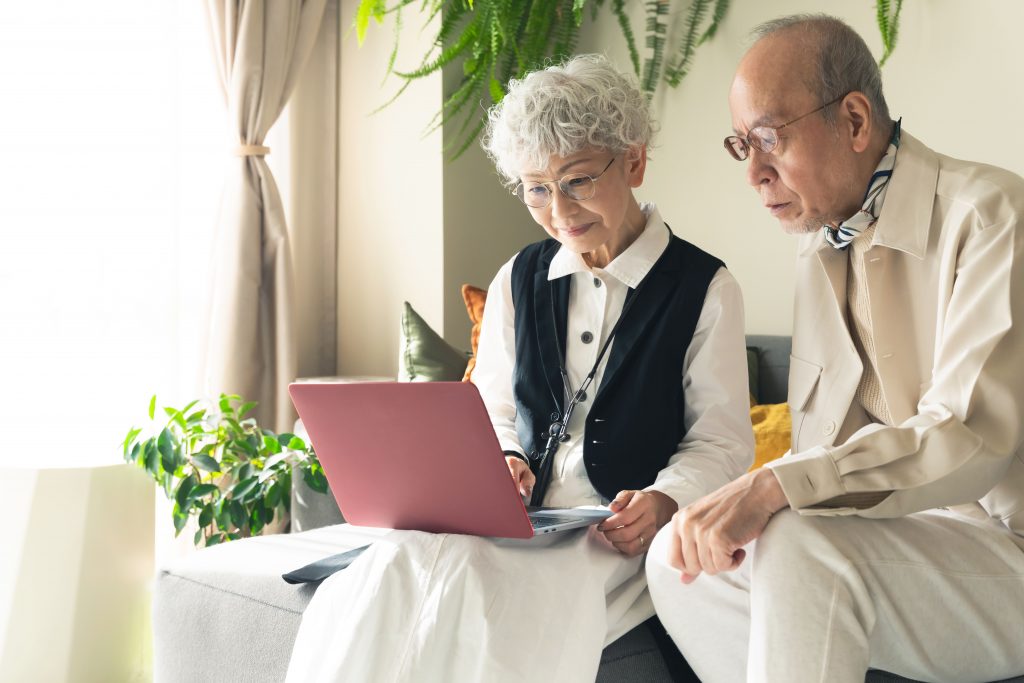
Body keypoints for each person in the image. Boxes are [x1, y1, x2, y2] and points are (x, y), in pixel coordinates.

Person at [285, 54, 753, 682]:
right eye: (537, 187)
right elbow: (492, 408)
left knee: (499, 610)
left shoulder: (706, 288)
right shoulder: (520, 276)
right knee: (390, 573)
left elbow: (721, 440)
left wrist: (666, 499)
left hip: (609, 536)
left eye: (578, 180)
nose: (558, 209)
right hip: (516, 521)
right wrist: (502, 459)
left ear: (634, 161)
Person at [646, 14, 1024, 683]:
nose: (755, 173)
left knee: (798, 542)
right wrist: (727, 504)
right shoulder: (821, 243)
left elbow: (969, 438)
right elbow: (826, 440)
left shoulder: (991, 213)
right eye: (742, 146)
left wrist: (774, 484)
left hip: (1008, 549)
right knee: (675, 560)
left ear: (854, 121)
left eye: (768, 138)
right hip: (915, 544)